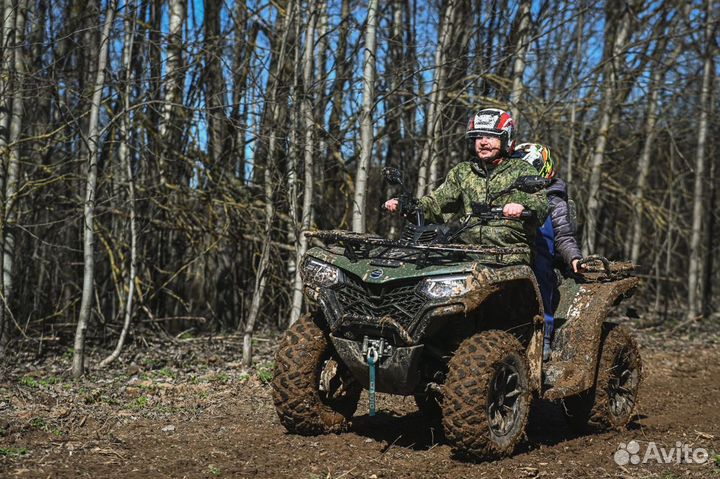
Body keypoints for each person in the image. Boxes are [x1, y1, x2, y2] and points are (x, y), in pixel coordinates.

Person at [384, 108, 549, 265]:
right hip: (465, 253)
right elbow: (437, 204)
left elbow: (540, 204)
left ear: (506, 139)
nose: (483, 142)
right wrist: (410, 206)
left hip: (508, 255)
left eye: (491, 137)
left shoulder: (521, 170)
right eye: (478, 137)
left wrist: (522, 207)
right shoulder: (463, 171)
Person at [513, 143, 583, 360]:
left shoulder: (554, 199)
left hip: (543, 257)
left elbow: (563, 234)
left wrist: (574, 257)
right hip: (510, 253)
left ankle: (544, 334)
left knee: (541, 272)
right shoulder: (508, 194)